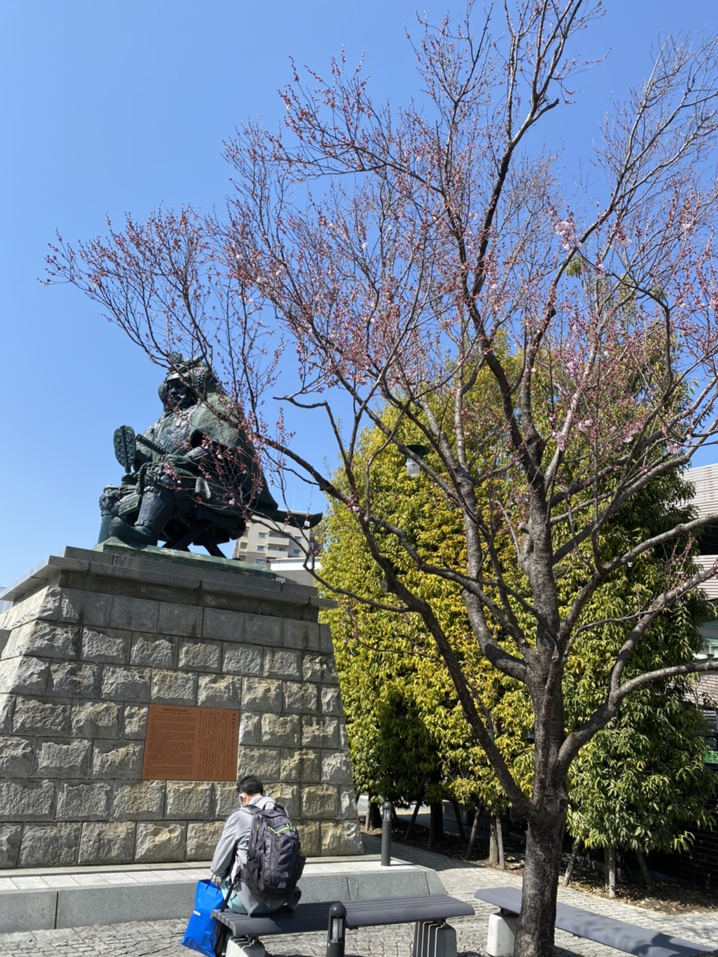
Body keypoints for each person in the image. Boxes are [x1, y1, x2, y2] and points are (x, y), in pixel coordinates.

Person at [210, 775, 301, 915]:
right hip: (280, 899)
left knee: (224, 876)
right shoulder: (282, 814)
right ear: (263, 793)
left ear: (242, 797)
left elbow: (217, 867)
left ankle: (226, 929)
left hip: (247, 903)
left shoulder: (239, 816)